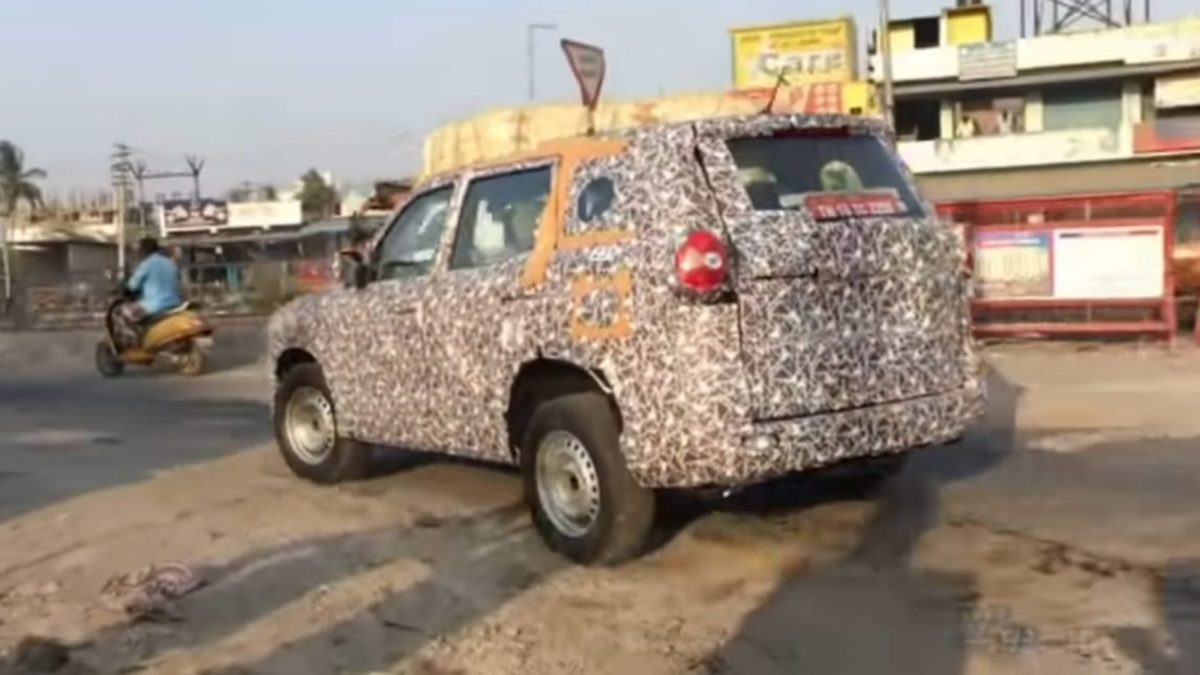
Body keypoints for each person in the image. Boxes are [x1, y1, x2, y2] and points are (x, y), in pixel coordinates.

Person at [115, 237, 184, 349]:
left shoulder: (147, 264)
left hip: (154, 305)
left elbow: (132, 285)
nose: (139, 253)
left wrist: (124, 289)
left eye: (140, 250)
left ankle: (137, 344)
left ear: (144, 250)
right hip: (174, 303)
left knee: (122, 312)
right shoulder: (169, 262)